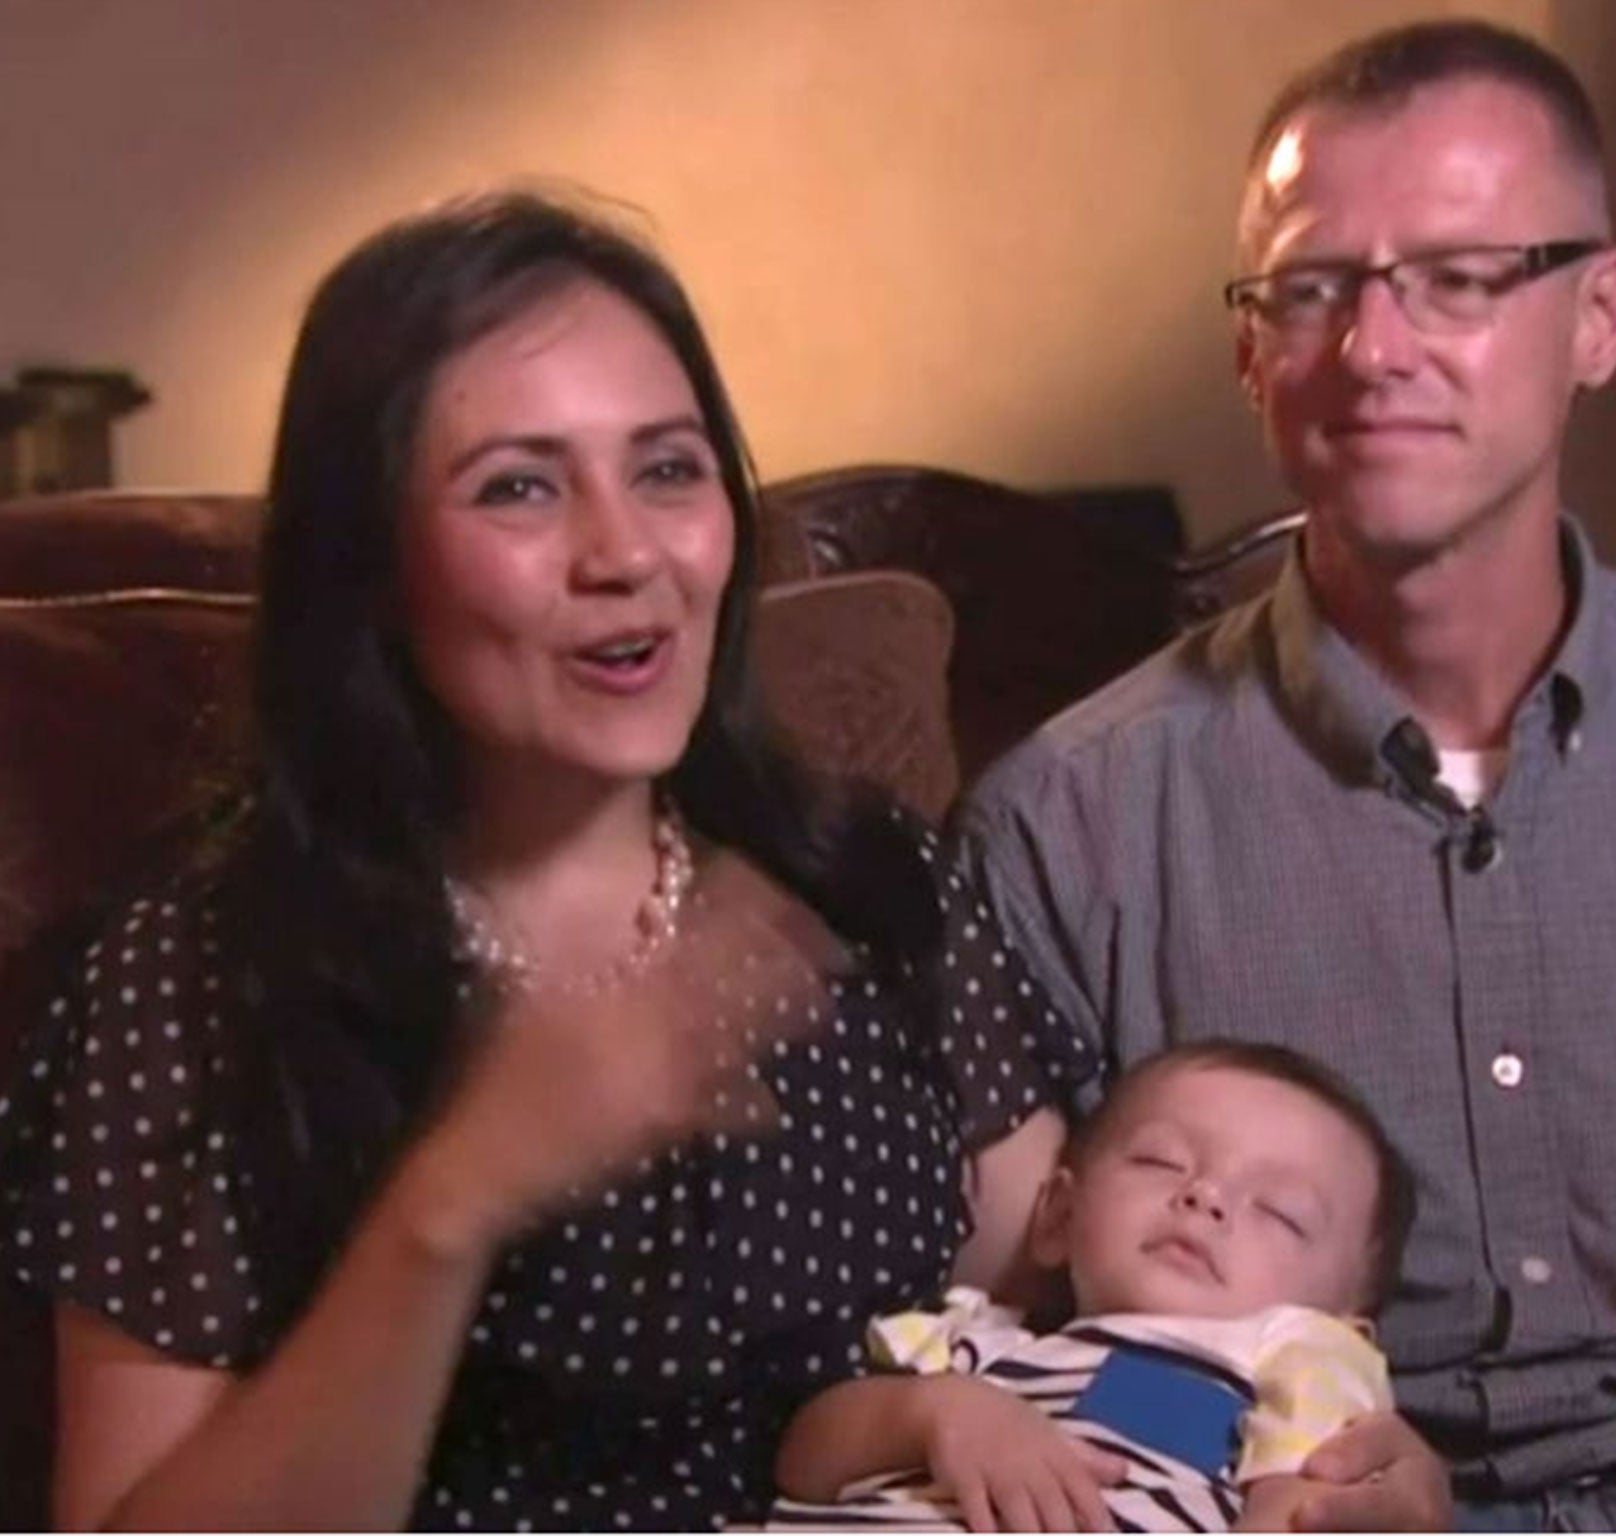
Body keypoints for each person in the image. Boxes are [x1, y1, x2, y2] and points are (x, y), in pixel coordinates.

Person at [954, 18, 1616, 1533]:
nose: (1377, 349)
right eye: (1316, 287)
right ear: (1250, 348)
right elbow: (996, 1345)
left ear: (1599, 319)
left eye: (1463, 279)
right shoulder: (1067, 829)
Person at [0, 191, 1095, 1530]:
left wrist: (1305, 1434)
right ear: (372, 568)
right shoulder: (208, 976)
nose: (626, 553)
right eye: (519, 485)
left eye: (669, 469)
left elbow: (1076, 1298)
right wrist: (448, 1207)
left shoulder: (864, 880)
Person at [769, 1040, 1415, 1532]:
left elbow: (1306, 1514)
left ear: (1344, 1324)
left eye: (1279, 1210)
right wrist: (933, 1411)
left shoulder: (1290, 1373)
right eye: (1160, 1161)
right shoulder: (978, 1343)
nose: (1205, 1195)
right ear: (1057, 1216)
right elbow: (803, 1461)